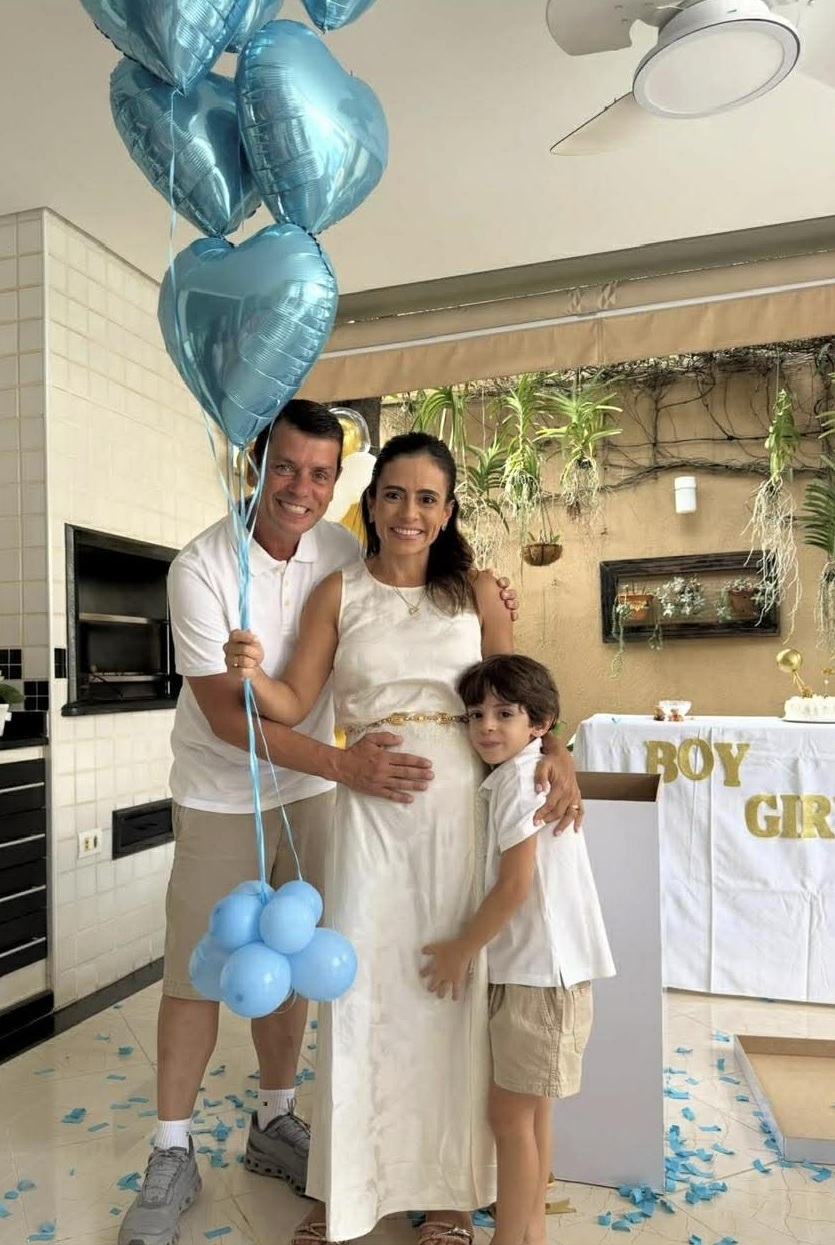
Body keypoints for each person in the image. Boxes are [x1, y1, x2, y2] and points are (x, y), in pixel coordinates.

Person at [117, 403, 524, 1245]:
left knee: (356, 975)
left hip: (396, 806)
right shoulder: (204, 568)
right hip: (248, 791)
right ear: (255, 468)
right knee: (249, 975)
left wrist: (549, 753)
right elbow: (245, 715)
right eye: (286, 468)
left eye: (319, 473)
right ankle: (199, 1151)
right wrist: (262, 682)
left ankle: (353, 1150)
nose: (301, 487)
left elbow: (512, 689)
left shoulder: (358, 554)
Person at [224, 432, 582, 1245]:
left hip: (460, 815)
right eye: (393, 494)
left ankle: (448, 1194)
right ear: (372, 502)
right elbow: (293, 700)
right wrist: (249, 671)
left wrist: (557, 750)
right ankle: (345, 1187)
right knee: (361, 996)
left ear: (447, 511)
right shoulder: (337, 592)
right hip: (367, 811)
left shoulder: (477, 592)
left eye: (426, 498)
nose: (408, 512)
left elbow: (517, 697)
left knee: (449, 1001)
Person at [421, 655, 616, 1245]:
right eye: (475, 714)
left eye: (504, 714)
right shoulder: (526, 770)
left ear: (540, 723)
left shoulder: (517, 780)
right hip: (545, 972)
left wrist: (461, 950)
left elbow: (515, 886)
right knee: (531, 1116)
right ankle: (530, 1235)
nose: (486, 726)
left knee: (509, 1119)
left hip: (540, 976)